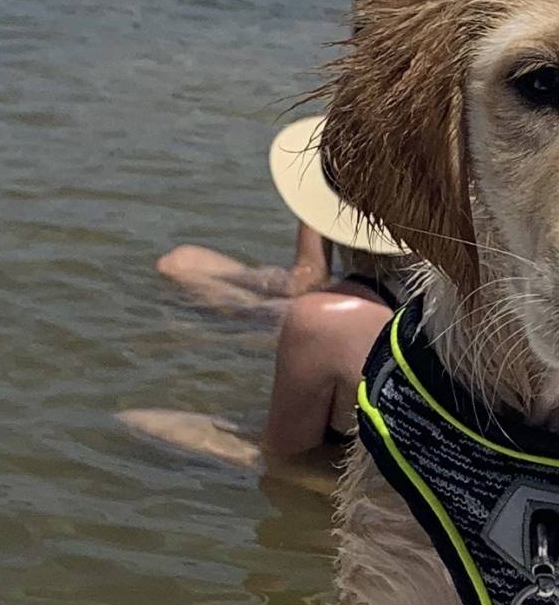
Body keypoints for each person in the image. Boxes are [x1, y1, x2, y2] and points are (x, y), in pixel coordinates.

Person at [121, 116, 411, 471]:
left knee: (138, 421)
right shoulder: (466, 283)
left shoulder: (327, 319)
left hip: (373, 490)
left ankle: (226, 332)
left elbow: (283, 462)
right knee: (182, 262)